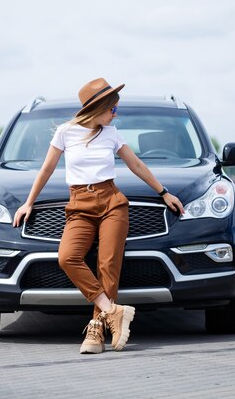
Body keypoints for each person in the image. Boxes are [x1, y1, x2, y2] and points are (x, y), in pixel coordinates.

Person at [13, 78, 185, 354]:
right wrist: (28, 203)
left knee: (108, 265)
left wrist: (164, 192)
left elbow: (136, 164)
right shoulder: (66, 133)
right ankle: (112, 311)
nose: (115, 114)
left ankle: (96, 329)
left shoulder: (112, 133)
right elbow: (45, 170)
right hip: (79, 205)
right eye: (112, 109)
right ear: (98, 108)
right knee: (67, 257)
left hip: (112, 203)